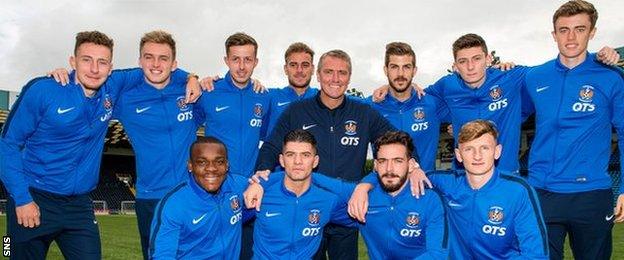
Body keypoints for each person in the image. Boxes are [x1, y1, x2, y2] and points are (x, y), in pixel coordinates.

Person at [46, 30, 201, 260]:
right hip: (152, 198)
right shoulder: (125, 96)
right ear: (140, 62)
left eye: (163, 58)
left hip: (193, 192)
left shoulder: (190, 92)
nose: (156, 64)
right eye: (149, 57)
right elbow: (90, 85)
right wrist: (66, 77)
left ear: (174, 64)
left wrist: (194, 77)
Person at [255, 49, 419, 260]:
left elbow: (399, 142)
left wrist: (414, 167)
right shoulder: (297, 111)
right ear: (318, 75)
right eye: (329, 72)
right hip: (308, 207)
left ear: (349, 77)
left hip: (346, 208)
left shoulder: (363, 112)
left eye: (342, 73)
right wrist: (260, 178)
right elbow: (270, 147)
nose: (335, 79)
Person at [373, 34, 620, 174]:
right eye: (463, 61)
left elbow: (557, 70)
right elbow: (409, 94)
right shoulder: (446, 87)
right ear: (455, 65)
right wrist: (388, 87)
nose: (470, 67)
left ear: (488, 58)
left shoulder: (511, 76)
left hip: (506, 176)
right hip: (465, 179)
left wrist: (597, 56)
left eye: (477, 59)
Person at [0, 31, 142, 259]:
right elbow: (7, 144)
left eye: (102, 62)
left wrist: (191, 77)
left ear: (110, 66)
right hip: (34, 196)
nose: (95, 69)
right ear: (72, 62)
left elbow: (156, 69)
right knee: (10, 251)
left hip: (79, 205)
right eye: (86, 60)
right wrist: (22, 198)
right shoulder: (43, 90)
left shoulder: (112, 87)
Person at [353, 120, 549, 259]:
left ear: (497, 151)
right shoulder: (444, 182)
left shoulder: (518, 191)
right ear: (459, 154)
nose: (477, 156)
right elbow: (394, 172)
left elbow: (536, 254)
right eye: (469, 149)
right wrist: (364, 185)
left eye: (485, 148)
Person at [523, 1, 624, 259]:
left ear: (592, 32)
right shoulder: (535, 77)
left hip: (591, 195)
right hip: (542, 192)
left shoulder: (610, 76)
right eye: (563, 29)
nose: (570, 37)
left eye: (579, 29)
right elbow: (509, 113)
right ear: (553, 34)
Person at [246, 130, 448, 259]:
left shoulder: (430, 200)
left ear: (411, 164)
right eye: (383, 161)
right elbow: (304, 174)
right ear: (375, 165)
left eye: (397, 160)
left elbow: (438, 254)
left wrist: (363, 186)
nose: (389, 168)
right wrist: (262, 181)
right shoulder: (360, 199)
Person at [193, 32, 270, 260]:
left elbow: (267, 139)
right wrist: (193, 77)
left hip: (249, 190)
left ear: (256, 62)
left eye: (248, 59)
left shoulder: (263, 97)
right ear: (226, 60)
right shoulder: (208, 91)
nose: (242, 66)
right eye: (235, 59)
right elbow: (187, 129)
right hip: (215, 190)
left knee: (247, 253)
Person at [149, 136, 252, 259]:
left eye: (219, 161)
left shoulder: (238, 185)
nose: (211, 168)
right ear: (190, 166)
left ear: (227, 165)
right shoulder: (174, 204)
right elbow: (162, 255)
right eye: (202, 162)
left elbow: (272, 184)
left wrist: (259, 185)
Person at [366, 42, 449, 171]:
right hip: (384, 189)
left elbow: (465, 108)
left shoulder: (431, 104)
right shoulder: (370, 106)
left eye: (406, 67)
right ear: (385, 70)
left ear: (414, 71)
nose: (400, 74)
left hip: (424, 188)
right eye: (394, 67)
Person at [265, 42, 319, 136]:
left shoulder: (323, 98)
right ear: (286, 69)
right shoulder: (269, 96)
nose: (299, 70)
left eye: (305, 65)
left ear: (313, 69)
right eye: (293, 65)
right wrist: (251, 83)